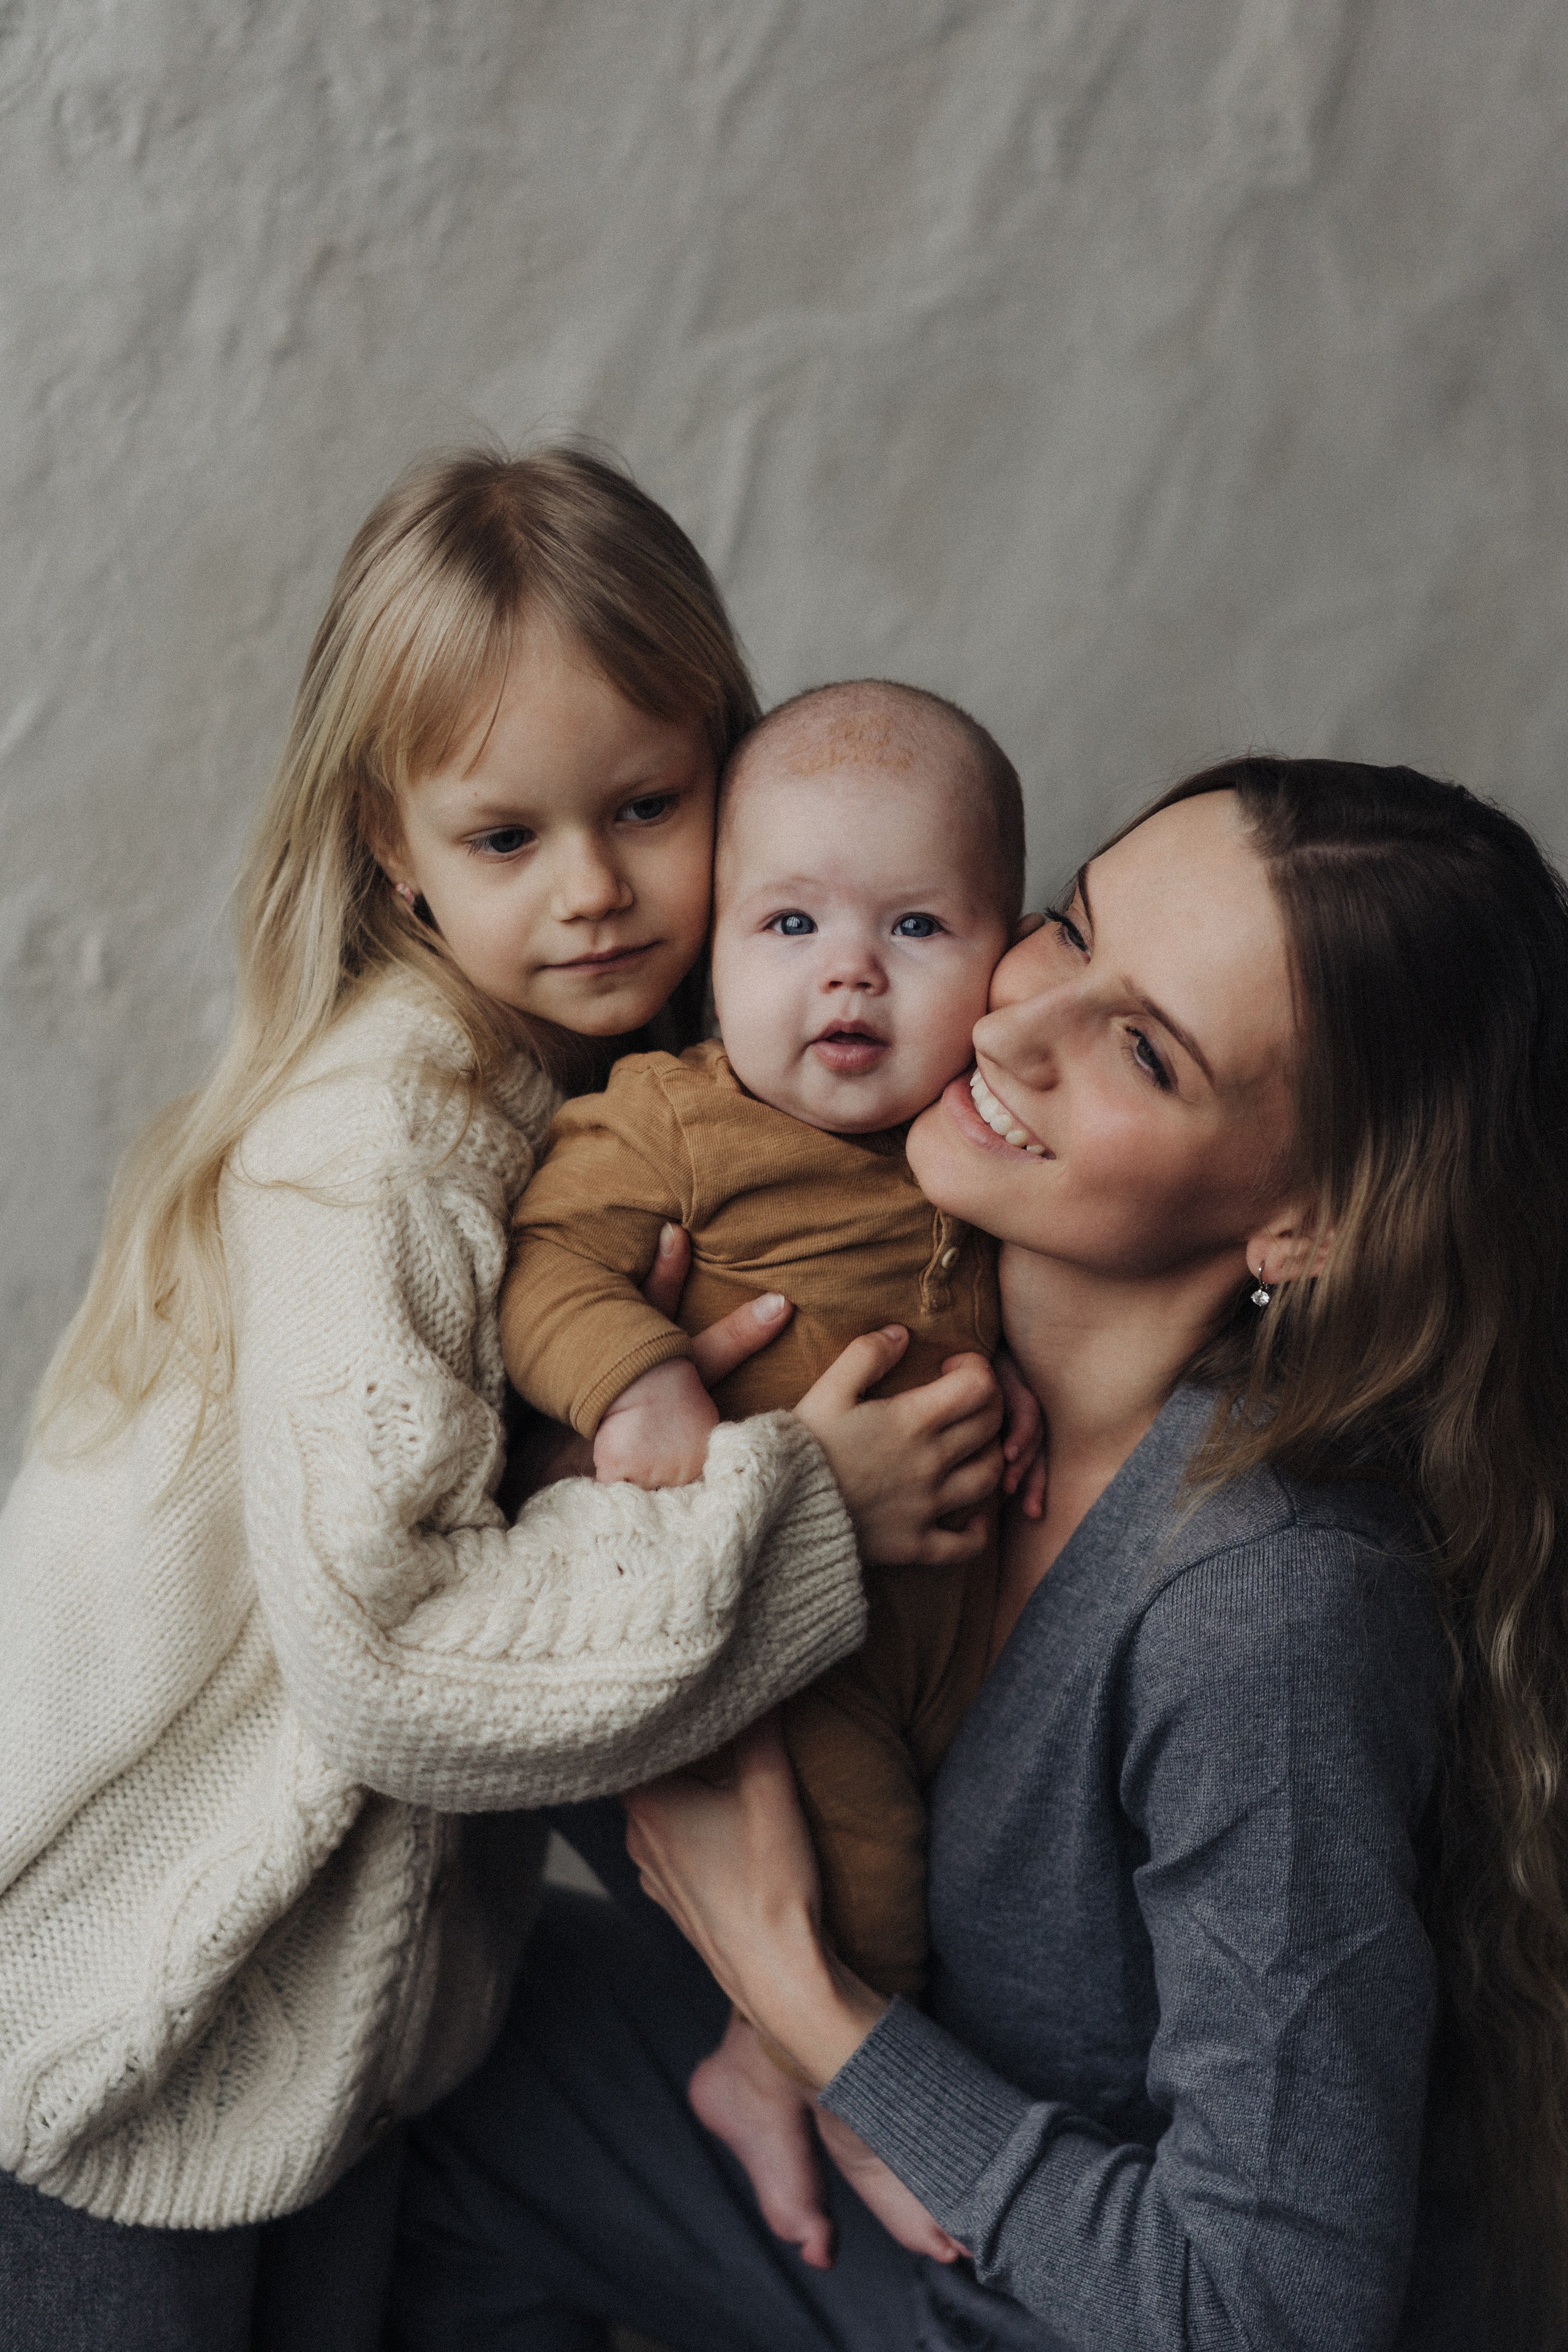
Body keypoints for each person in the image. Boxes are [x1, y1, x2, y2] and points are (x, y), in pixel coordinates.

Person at [0, 449, 1009, 2352]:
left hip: (351, 2054)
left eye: (648, 805)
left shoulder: (642, 1106)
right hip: (122, 2049)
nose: (598, 891)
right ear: (392, 845)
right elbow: (394, 1665)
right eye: (505, 839)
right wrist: (807, 1507)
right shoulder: (387, 1137)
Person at [390, 758, 1568, 2350]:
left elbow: (1267, 2317)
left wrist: (806, 2005)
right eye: (1069, 929)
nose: (1012, 1032)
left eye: (1143, 1046)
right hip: (896, 2185)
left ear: (1308, 1223)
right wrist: (595, 1439)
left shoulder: (1267, 1613)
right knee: (406, 2041)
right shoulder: (860, 1247)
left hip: (1066, 2306)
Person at [502, 678, 1043, 2268]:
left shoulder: (980, 1139)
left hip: (950, 1631)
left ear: (1008, 952)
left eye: (920, 930)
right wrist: (642, 1381)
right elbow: (549, 1270)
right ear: (716, 946)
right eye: (789, 924)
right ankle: (831, 2088)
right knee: (864, 1882)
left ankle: (761, 2065)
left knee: (954, 1877)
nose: (851, 972)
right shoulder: (672, 1121)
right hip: (790, 1645)